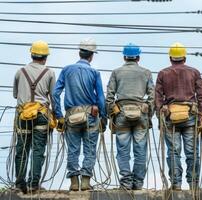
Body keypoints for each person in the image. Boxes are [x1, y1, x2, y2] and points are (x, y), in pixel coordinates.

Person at [52, 38, 106, 191]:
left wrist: (59, 116)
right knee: (89, 149)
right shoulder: (94, 72)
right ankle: (85, 181)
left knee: (73, 150)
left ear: (79, 53)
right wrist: (103, 117)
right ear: (91, 56)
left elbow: (55, 93)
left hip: (71, 117)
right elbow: (101, 98)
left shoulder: (67, 70)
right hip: (90, 116)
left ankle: (74, 182)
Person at [155, 42, 202, 190]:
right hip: (190, 116)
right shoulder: (194, 72)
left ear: (171, 58)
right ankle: (194, 184)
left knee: (173, 152)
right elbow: (201, 97)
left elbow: (157, 98)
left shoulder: (163, 73)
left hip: (170, 117)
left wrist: (160, 116)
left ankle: (176, 184)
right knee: (192, 152)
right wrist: (201, 114)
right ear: (184, 57)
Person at [106, 43, 154, 190]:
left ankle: (126, 183)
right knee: (140, 150)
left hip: (122, 114)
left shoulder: (116, 72)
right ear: (138, 57)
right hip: (140, 114)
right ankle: (138, 183)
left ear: (124, 57)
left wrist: (112, 113)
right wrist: (148, 113)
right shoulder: (146, 73)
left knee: (123, 150)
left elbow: (109, 96)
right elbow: (152, 96)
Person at [13, 40, 56, 193]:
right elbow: (53, 97)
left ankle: (19, 184)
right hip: (41, 115)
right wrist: (58, 117)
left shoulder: (20, 72)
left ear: (31, 54)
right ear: (45, 57)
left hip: (23, 115)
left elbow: (15, 95)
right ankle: (33, 184)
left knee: (22, 149)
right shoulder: (49, 73)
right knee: (38, 150)